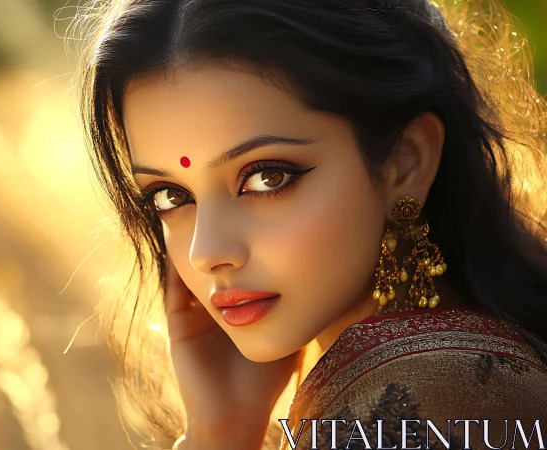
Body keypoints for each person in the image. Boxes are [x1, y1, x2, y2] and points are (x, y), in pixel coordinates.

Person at [72, 0, 547, 448]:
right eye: (171, 195)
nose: (206, 251)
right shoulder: (464, 375)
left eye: (267, 177)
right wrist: (222, 430)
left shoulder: (417, 403)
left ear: (405, 161)